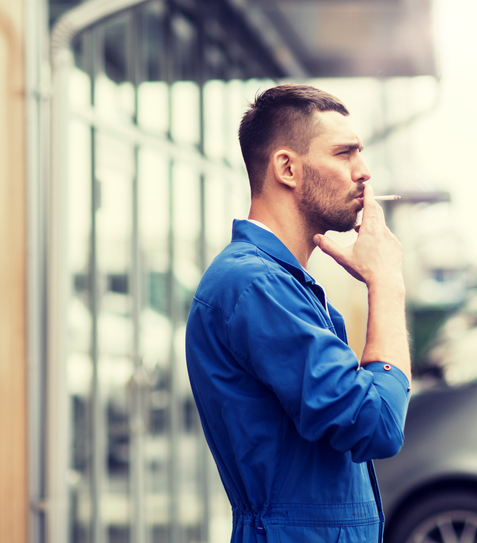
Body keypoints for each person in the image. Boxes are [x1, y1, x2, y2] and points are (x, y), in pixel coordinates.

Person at [184, 84, 412, 543]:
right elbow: (377, 424)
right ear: (287, 168)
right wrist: (386, 284)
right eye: (345, 154)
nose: (363, 172)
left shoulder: (285, 285)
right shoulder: (256, 286)